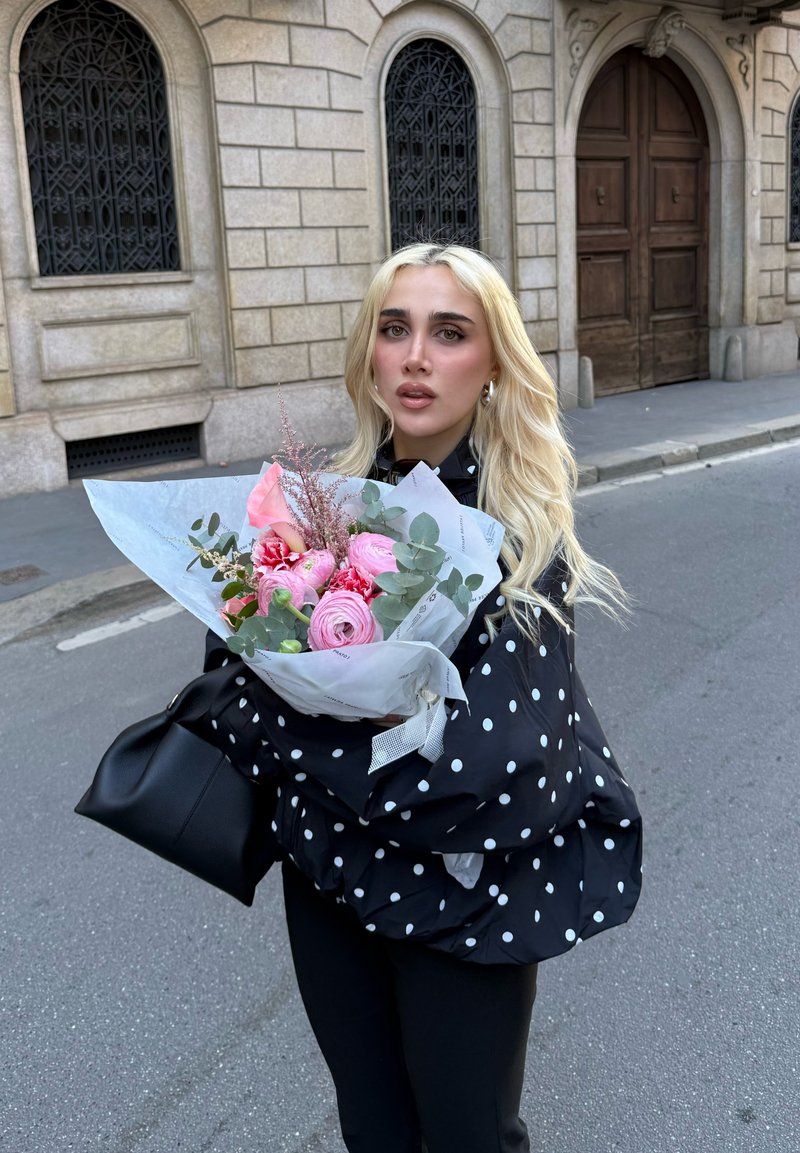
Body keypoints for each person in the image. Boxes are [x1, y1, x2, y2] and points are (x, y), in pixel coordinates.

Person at [202, 243, 643, 1153]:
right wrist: (334, 723)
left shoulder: (520, 538)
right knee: (373, 1129)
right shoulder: (318, 513)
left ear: (491, 365)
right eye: (395, 328)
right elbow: (224, 691)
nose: (414, 356)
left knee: (470, 1136)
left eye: (449, 333)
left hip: (464, 905)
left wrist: (304, 748)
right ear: (369, 351)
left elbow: (490, 769)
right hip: (329, 888)